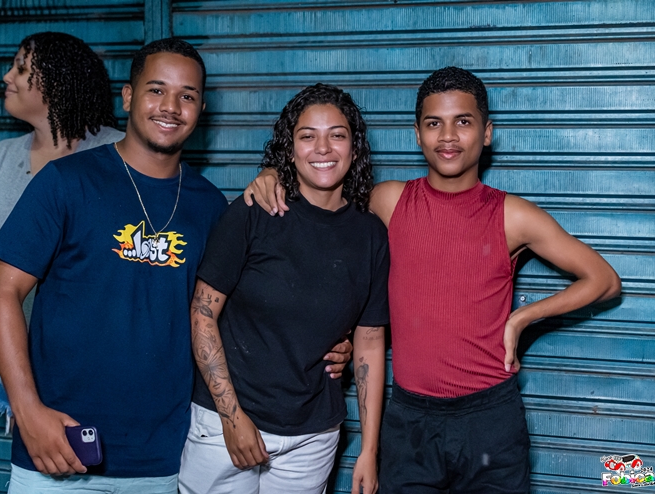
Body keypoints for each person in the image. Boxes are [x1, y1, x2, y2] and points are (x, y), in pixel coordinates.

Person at [0, 38, 350, 494]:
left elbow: (245, 313)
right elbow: (1, 291)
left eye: (187, 95)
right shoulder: (66, 181)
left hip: (163, 459)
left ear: (201, 109)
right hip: (58, 448)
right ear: (128, 96)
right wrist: (27, 411)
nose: (171, 107)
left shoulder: (211, 207)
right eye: (156, 90)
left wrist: (332, 342)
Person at [244, 67, 622, 493]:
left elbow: (604, 280)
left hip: (490, 420)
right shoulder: (389, 200)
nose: (448, 136)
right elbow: (322, 197)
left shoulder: (512, 215)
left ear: (487, 133)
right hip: (410, 422)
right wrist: (275, 173)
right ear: (417, 135)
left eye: (463, 122)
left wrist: (522, 318)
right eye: (433, 123)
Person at [178, 83, 388, 494]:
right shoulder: (254, 213)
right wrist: (231, 418)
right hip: (224, 427)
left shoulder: (371, 236)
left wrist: (369, 449)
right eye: (308, 136)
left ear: (355, 148)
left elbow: (370, 342)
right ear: (290, 150)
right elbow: (202, 314)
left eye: (337, 135)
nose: (323, 148)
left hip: (312, 438)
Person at [0, 31, 122, 431]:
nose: (6, 76)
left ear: (56, 80)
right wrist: (12, 345)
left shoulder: (118, 152)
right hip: (15, 365)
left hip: (94, 364)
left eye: (20, 68)